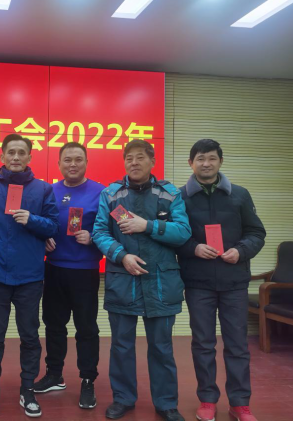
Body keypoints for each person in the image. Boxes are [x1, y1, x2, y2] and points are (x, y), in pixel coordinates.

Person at [93, 139, 191, 421]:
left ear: (152, 161)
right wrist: (121, 255)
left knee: (161, 347)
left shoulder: (169, 193)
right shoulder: (111, 194)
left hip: (161, 282)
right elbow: (100, 232)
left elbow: (183, 232)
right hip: (123, 279)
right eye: (129, 158)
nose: (134, 163)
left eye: (140, 157)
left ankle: (166, 403)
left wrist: (147, 225)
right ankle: (123, 398)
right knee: (121, 345)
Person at [176, 139, 265, 421]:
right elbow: (173, 236)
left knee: (237, 345)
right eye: (200, 158)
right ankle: (207, 399)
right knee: (203, 344)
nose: (206, 163)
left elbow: (256, 233)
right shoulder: (180, 197)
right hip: (198, 282)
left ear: (220, 162)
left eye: (212, 158)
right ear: (191, 163)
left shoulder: (239, 195)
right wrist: (193, 248)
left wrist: (240, 251)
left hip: (234, 282)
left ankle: (240, 403)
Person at [0, 133, 59, 419]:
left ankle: (28, 390)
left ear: (30, 157)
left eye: (22, 152)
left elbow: (53, 227)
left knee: (30, 336)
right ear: (2, 156)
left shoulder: (43, 189)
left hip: (30, 278)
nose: (16, 157)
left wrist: (31, 219)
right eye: (11, 152)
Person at [34, 142, 104, 409]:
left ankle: (88, 380)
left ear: (86, 162)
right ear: (59, 164)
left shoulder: (102, 192)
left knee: (86, 328)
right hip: (53, 269)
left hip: (85, 271)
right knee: (53, 325)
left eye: (78, 159)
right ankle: (54, 375)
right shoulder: (49, 191)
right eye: (67, 160)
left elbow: (117, 226)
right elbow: (38, 225)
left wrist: (94, 238)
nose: (72, 164)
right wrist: (42, 239)